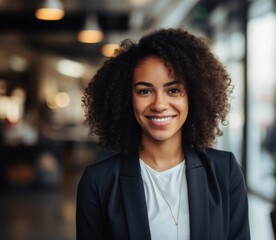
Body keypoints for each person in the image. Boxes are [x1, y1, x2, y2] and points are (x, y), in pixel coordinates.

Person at [76, 28, 251, 240]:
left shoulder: (225, 172)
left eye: (173, 90)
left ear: (194, 96)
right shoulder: (99, 182)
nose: (159, 104)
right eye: (144, 91)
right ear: (125, 98)